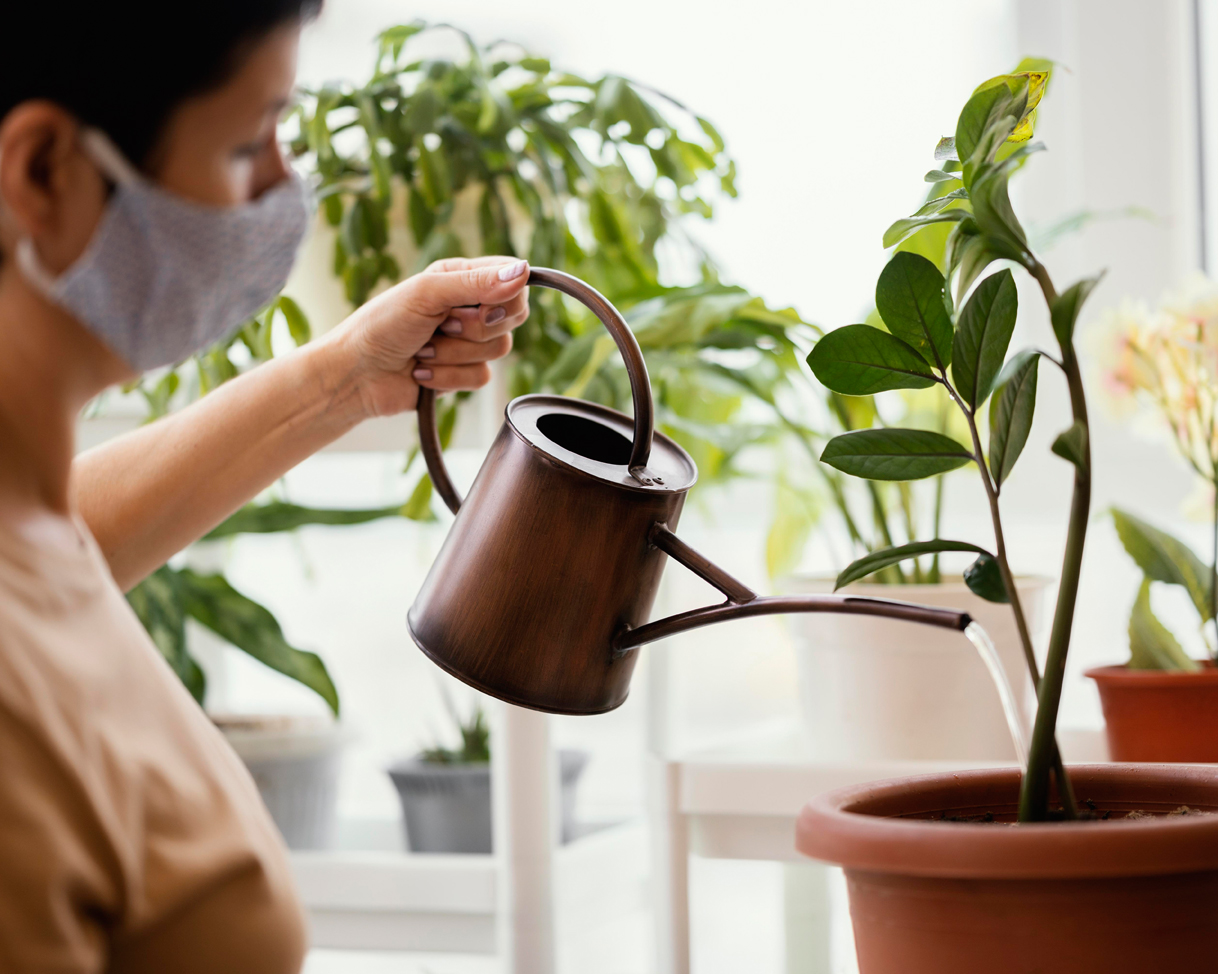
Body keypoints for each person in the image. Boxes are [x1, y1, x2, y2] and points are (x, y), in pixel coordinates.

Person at [0, 3, 530, 970]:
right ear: (43, 170)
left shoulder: (28, 522)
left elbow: (58, 545)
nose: (288, 186)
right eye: (249, 142)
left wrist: (342, 380)